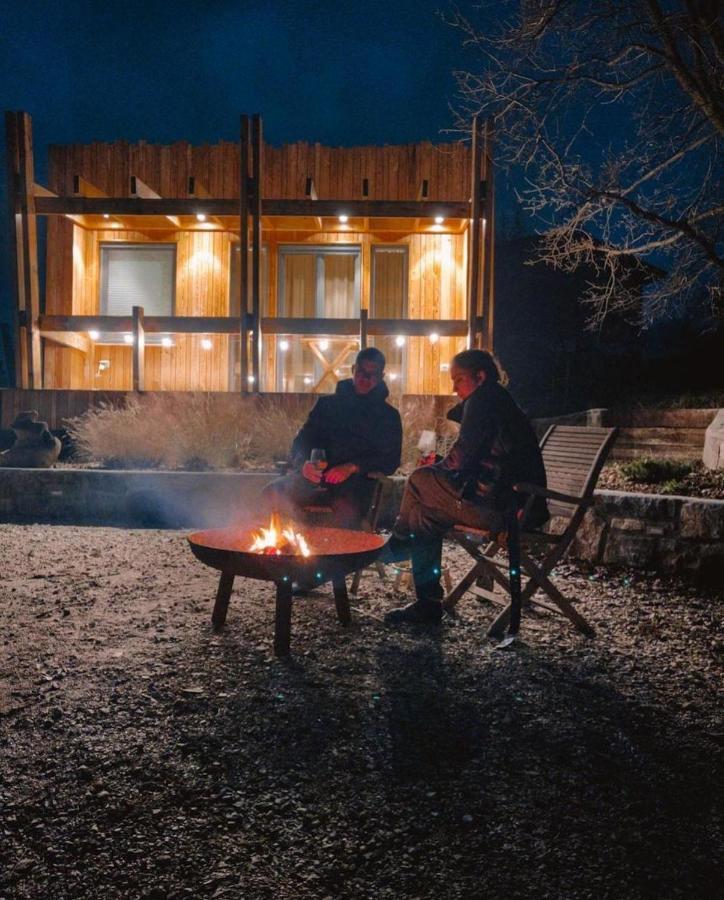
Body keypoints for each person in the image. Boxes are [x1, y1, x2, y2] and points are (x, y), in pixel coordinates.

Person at [385, 349, 548, 625]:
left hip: (507, 511)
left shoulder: (484, 401)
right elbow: (473, 456)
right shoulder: (496, 400)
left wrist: (437, 468)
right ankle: (428, 604)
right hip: (506, 502)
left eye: (458, 379)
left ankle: (399, 542)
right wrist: (442, 465)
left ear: (480, 376)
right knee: (424, 515)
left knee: (417, 479)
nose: (454, 388)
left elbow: (461, 459)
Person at [263, 346, 402, 528]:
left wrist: (353, 467)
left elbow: (390, 460)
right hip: (314, 478)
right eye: (361, 372)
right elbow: (301, 441)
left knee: (345, 512)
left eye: (372, 374)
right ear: (353, 370)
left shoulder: (388, 416)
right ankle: (285, 546)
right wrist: (303, 463)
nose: (365, 379)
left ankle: (337, 553)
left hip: (355, 485)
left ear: (381, 377)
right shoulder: (327, 405)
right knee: (272, 493)